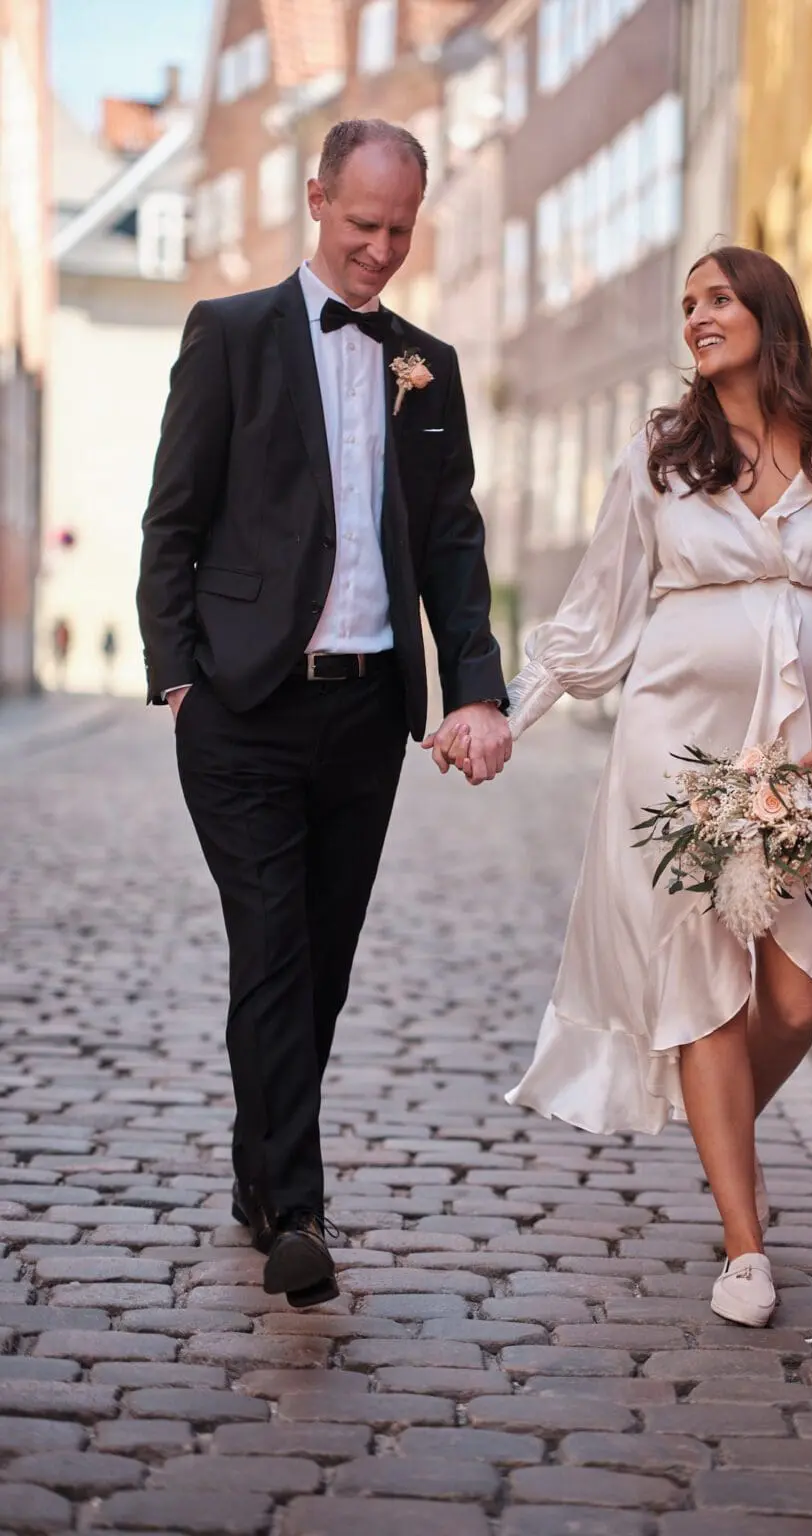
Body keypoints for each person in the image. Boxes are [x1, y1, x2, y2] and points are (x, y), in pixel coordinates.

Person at [450, 247, 812, 1328]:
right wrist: (503, 719)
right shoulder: (659, 461)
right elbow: (593, 617)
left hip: (799, 760)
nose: (698, 317)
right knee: (706, 987)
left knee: (797, 992)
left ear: (768, 314)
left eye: (718, 299)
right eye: (688, 306)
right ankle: (744, 1244)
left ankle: (724, 1148)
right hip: (675, 757)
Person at [136, 119, 511, 1309]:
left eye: (400, 230)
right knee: (275, 948)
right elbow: (174, 519)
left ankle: (258, 1172)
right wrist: (177, 670)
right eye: (362, 226)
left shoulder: (427, 365)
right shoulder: (232, 334)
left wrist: (480, 685)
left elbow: (451, 542)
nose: (380, 252)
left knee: (324, 968)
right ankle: (297, 1209)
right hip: (241, 708)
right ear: (316, 201)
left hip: (365, 715)